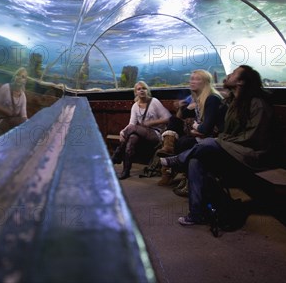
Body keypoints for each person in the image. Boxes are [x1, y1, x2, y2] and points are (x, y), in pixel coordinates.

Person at [160, 65, 273, 226]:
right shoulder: (234, 101)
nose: (228, 75)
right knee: (195, 161)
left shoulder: (257, 104)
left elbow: (252, 138)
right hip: (233, 149)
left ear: (240, 82)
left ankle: (177, 160)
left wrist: (222, 141)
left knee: (208, 143)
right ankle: (196, 214)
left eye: (233, 73)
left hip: (251, 154)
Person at [156, 70, 227, 190]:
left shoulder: (212, 98)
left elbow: (206, 128)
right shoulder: (198, 98)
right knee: (178, 130)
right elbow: (183, 116)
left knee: (184, 142)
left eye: (197, 79)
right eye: (191, 78)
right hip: (204, 134)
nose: (192, 81)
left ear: (205, 82)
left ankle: (184, 175)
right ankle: (175, 161)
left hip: (217, 139)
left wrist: (195, 127)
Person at [111, 81, 171, 180]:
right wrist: (122, 132)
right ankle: (126, 171)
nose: (142, 90)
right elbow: (132, 124)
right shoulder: (135, 106)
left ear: (147, 90)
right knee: (132, 138)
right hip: (142, 133)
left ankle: (117, 156)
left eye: (144, 88)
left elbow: (168, 118)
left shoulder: (154, 101)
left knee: (132, 131)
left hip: (156, 134)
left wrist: (152, 123)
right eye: (139, 89)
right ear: (136, 92)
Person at [0, 67, 28, 135]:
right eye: (18, 75)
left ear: (25, 81)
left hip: (11, 125)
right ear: (14, 77)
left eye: (23, 77)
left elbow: (24, 115)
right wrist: (5, 110)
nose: (19, 78)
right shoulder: (6, 87)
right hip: (0, 121)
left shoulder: (23, 96)